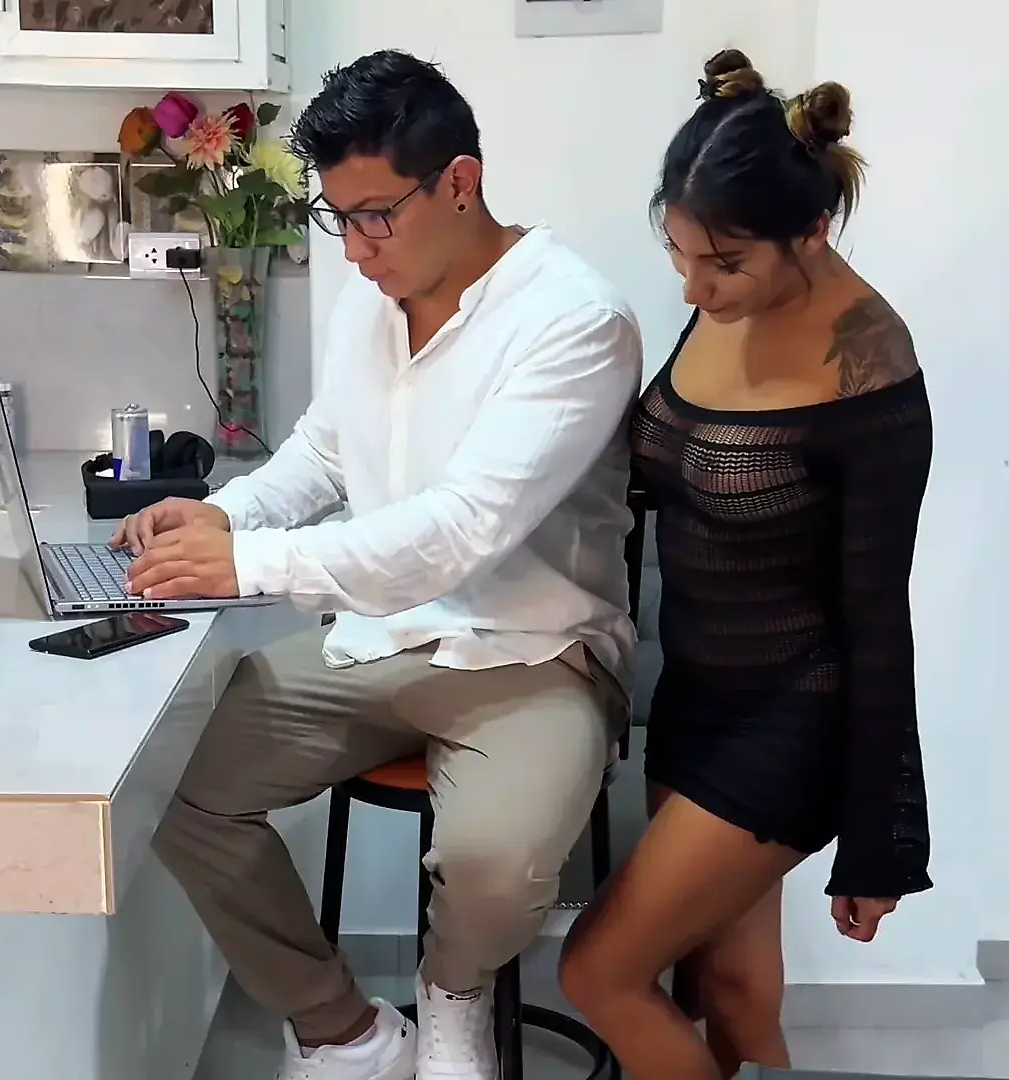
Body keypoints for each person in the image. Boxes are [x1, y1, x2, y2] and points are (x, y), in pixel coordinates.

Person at [114, 49, 642, 1080]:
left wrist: (245, 563)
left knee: (493, 864)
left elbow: (460, 530)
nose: (355, 250)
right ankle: (345, 1032)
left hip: (533, 649)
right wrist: (218, 516)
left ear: (460, 182)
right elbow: (324, 451)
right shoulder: (373, 296)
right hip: (379, 639)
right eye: (337, 217)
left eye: (375, 217)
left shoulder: (575, 320)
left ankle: (453, 999)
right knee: (168, 782)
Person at [556, 50, 935, 1080]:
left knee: (598, 972)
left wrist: (883, 837)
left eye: (722, 264)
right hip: (695, 696)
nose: (693, 286)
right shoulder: (722, 299)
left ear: (811, 230)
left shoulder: (871, 366)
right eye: (679, 253)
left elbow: (878, 618)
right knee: (724, 988)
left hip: (795, 720)